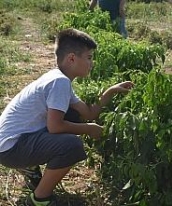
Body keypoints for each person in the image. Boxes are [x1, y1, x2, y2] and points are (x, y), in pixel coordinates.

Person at [0, 28, 134, 206]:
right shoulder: (59, 82)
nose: (91, 63)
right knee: (72, 146)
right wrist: (89, 129)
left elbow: (88, 113)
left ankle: (30, 168)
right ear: (72, 58)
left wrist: (110, 91)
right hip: (10, 149)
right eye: (89, 57)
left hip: (11, 143)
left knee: (73, 114)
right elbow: (55, 127)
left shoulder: (59, 79)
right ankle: (39, 199)